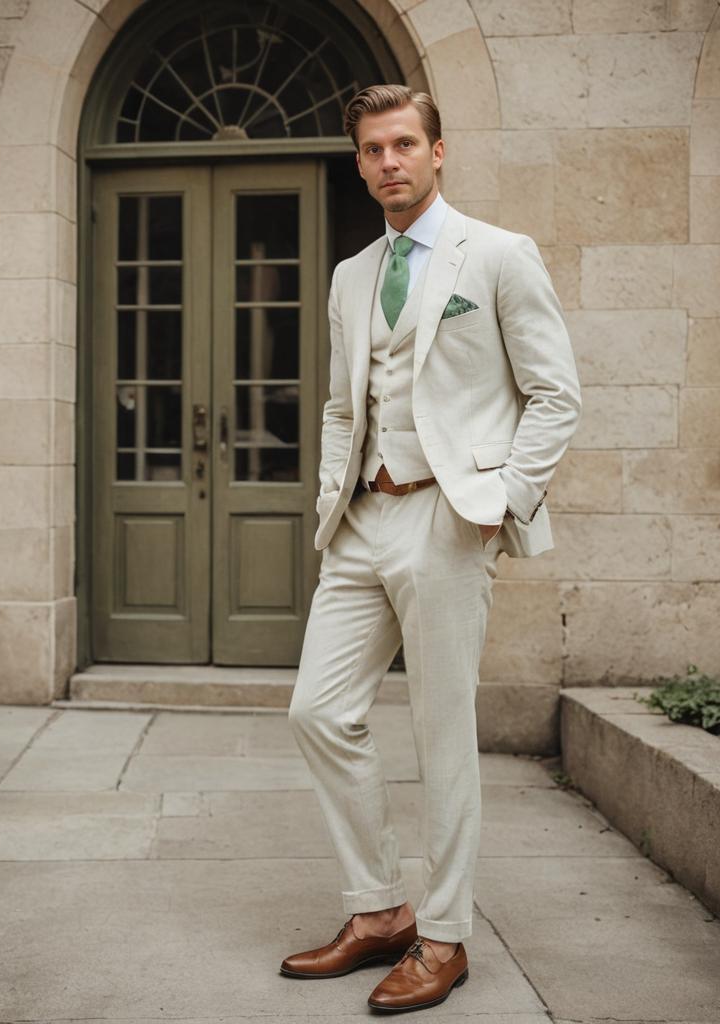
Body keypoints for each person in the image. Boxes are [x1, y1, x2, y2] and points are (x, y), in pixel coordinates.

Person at [281, 84, 581, 1014]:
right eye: (372, 150)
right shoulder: (351, 275)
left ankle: (444, 936)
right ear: (359, 161)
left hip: (449, 518)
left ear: (438, 151)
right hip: (363, 521)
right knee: (318, 712)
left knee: (442, 733)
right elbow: (343, 404)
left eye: (404, 144)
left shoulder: (496, 255)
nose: (388, 163)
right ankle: (379, 911)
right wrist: (333, 495)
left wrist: (499, 501)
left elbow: (555, 394)